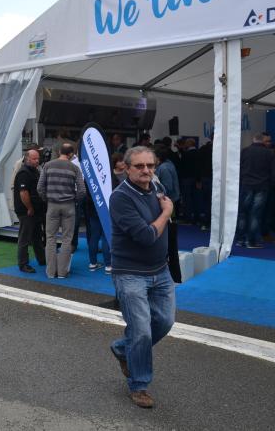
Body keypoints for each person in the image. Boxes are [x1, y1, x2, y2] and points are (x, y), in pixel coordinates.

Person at [108, 146, 175, 409]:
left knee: (165, 322)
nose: (146, 170)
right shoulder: (120, 198)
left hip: (161, 271)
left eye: (150, 165)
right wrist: (167, 212)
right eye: (139, 166)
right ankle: (139, 385)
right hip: (130, 274)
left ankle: (122, 349)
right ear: (126, 168)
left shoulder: (157, 188)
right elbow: (146, 236)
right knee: (141, 331)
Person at [37, 142, 86, 278]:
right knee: (67, 239)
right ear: (71, 154)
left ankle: (50, 272)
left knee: (50, 238)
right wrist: (74, 200)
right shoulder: (75, 168)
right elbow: (82, 190)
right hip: (69, 206)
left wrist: (47, 199)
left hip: (52, 205)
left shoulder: (47, 166)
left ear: (59, 152)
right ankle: (62, 272)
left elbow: (40, 187)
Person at [235, 133, 275, 249]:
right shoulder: (270, 153)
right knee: (255, 214)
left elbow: (237, 167)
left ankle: (240, 239)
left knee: (243, 213)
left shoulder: (245, 151)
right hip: (262, 186)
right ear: (263, 141)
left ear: (253, 140)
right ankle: (251, 241)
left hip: (246, 185)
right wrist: (270, 184)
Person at [14, 149, 45, 273]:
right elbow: (23, 193)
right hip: (26, 210)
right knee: (25, 237)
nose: (37, 161)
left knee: (37, 235)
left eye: (38, 158)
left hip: (35, 209)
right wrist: (29, 208)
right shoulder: (24, 173)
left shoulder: (35, 171)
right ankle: (23, 264)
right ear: (27, 159)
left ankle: (42, 259)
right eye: (34, 159)